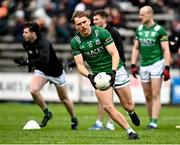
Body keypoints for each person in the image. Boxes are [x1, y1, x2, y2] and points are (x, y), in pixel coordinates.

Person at [70, 10, 140, 140]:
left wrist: (113, 71)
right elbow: (79, 64)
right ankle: (130, 131)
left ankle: (131, 112)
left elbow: (114, 53)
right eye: (79, 24)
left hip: (116, 70)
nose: (83, 26)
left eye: (84, 22)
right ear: (76, 26)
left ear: (89, 21)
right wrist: (90, 76)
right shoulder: (75, 41)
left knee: (128, 105)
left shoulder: (102, 33)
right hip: (99, 76)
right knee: (107, 106)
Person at [13, 22, 78, 130]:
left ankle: (73, 118)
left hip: (55, 72)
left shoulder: (44, 43)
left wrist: (27, 62)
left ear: (33, 34)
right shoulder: (25, 42)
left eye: (25, 32)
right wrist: (28, 66)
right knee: (33, 90)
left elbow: (44, 59)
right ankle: (47, 113)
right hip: (42, 70)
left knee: (64, 99)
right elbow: (32, 55)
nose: (23, 34)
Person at [131, 6, 171, 129]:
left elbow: (166, 49)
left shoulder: (160, 30)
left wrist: (167, 67)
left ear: (150, 14)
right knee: (147, 95)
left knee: (155, 93)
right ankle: (150, 121)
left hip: (156, 64)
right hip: (143, 65)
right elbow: (136, 48)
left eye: (142, 14)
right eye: (139, 14)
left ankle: (154, 122)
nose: (140, 17)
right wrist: (133, 64)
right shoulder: (139, 29)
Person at [87, 9, 126, 131]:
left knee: (112, 100)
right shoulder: (95, 33)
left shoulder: (113, 32)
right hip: (102, 68)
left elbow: (119, 51)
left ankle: (110, 123)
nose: (94, 22)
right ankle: (100, 123)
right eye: (93, 20)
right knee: (104, 98)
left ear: (104, 19)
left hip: (114, 67)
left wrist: (120, 66)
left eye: (96, 19)